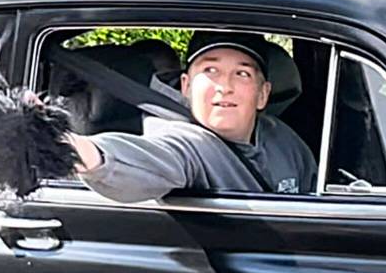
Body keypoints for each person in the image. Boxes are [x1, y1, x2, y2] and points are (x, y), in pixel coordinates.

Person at [66, 31, 317, 203]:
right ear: (186, 86)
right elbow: (147, 160)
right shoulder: (188, 144)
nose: (224, 86)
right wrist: (72, 149)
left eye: (242, 74)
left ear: (263, 94)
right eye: (211, 70)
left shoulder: (283, 139)